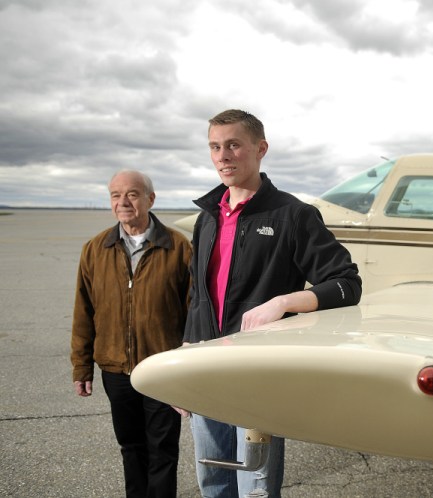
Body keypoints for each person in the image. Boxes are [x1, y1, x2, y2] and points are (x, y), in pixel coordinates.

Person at [183, 109, 362, 498]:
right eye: (215, 147)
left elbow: (347, 284)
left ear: (260, 149)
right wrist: (185, 351)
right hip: (206, 367)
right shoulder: (207, 218)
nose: (223, 155)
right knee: (212, 485)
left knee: (255, 490)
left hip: (256, 375)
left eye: (233, 145)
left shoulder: (293, 215)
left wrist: (283, 302)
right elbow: (199, 294)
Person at [71, 170, 192, 498]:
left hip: (162, 371)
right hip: (115, 370)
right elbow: (84, 312)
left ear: (151, 199)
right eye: (115, 195)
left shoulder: (179, 248)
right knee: (131, 447)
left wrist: (189, 373)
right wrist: (82, 367)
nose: (123, 202)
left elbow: (194, 315)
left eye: (133, 194)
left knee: (163, 451)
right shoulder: (95, 249)